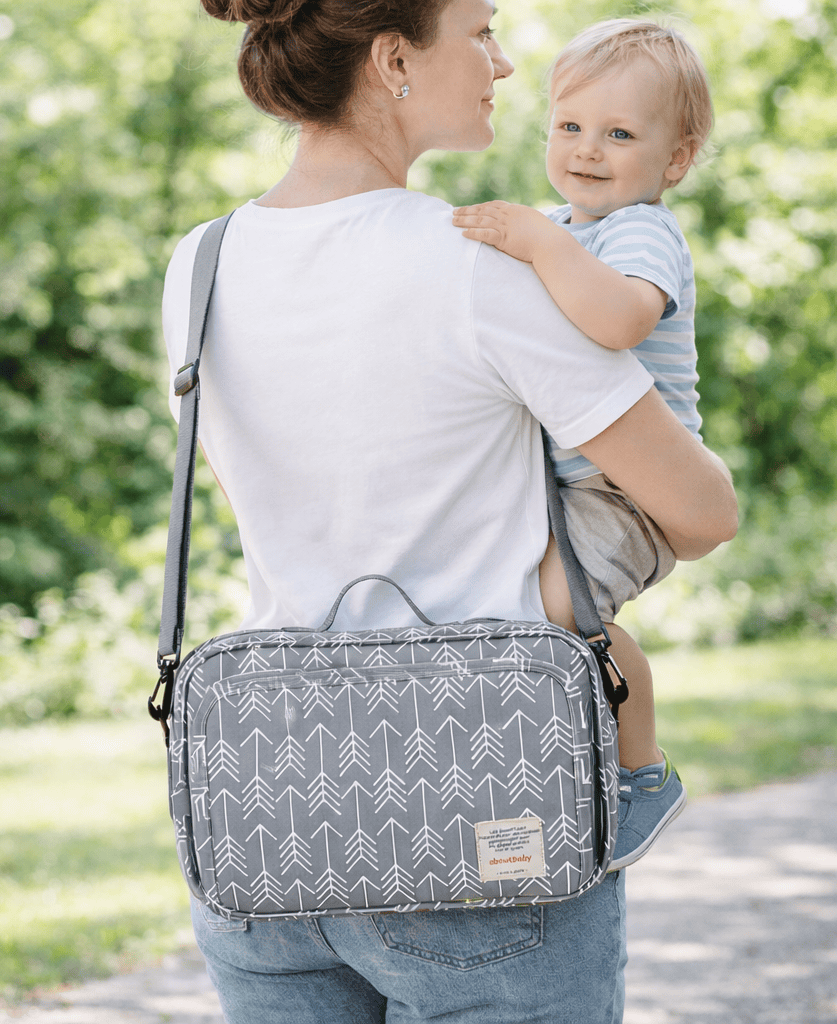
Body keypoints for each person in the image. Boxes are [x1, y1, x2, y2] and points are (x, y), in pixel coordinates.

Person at [161, 1, 738, 1020]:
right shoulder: (485, 258)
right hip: (478, 804)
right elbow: (698, 512)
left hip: (270, 815)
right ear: (392, 59)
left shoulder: (199, 266)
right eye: (479, 32)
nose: (505, 63)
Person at [452, 19, 714, 871]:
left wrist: (536, 240)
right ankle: (575, 766)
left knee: (560, 616)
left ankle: (642, 771)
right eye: (569, 127)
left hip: (625, 493)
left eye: (620, 134)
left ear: (674, 160)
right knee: (536, 615)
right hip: (569, 485)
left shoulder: (640, 232)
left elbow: (619, 318)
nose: (587, 151)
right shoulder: (572, 228)